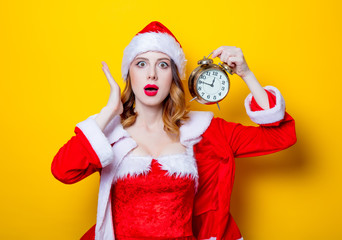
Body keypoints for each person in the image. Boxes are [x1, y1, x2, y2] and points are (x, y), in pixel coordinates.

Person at [51, 21, 296, 240]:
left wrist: (246, 74)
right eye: (141, 63)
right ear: (129, 74)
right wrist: (108, 112)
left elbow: (280, 135)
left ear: (174, 77)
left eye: (163, 65)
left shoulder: (206, 131)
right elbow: (63, 170)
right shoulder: (109, 133)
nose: (152, 74)